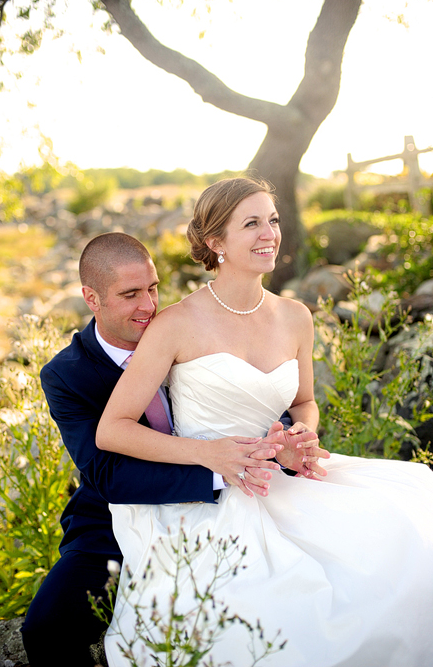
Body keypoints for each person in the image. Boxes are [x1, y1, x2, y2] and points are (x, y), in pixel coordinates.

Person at [98, 177, 433, 666]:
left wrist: (303, 435)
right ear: (216, 243)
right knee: (274, 611)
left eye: (272, 221)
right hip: (203, 494)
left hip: (276, 477)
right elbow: (113, 428)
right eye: (251, 223)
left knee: (408, 530)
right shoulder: (176, 323)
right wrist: (207, 454)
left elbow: (304, 402)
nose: (269, 233)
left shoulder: (296, 316)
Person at [21, 232, 319, 665]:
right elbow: (107, 475)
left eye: (153, 288)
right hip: (115, 516)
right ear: (92, 298)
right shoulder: (67, 375)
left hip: (243, 492)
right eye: (130, 295)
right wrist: (215, 469)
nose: (149, 305)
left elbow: (259, 396)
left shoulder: (186, 324)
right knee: (46, 630)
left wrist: (287, 438)